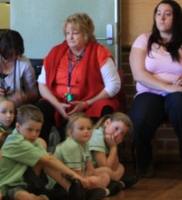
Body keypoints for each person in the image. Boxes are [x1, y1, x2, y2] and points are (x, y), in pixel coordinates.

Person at [128, 0, 182, 177]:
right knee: (140, 116)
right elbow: (139, 74)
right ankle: (144, 162)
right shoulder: (144, 40)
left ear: (177, 18)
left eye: (167, 14)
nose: (162, 18)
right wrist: (166, 87)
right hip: (151, 92)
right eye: (158, 13)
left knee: (179, 104)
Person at [36, 13, 121, 144]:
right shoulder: (56, 52)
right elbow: (42, 84)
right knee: (41, 109)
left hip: (89, 102)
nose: (70, 37)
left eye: (75, 33)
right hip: (59, 102)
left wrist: (86, 103)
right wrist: (57, 105)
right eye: (67, 32)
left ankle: (90, 154)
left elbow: (113, 85)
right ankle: (42, 152)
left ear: (86, 34)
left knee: (104, 108)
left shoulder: (99, 52)